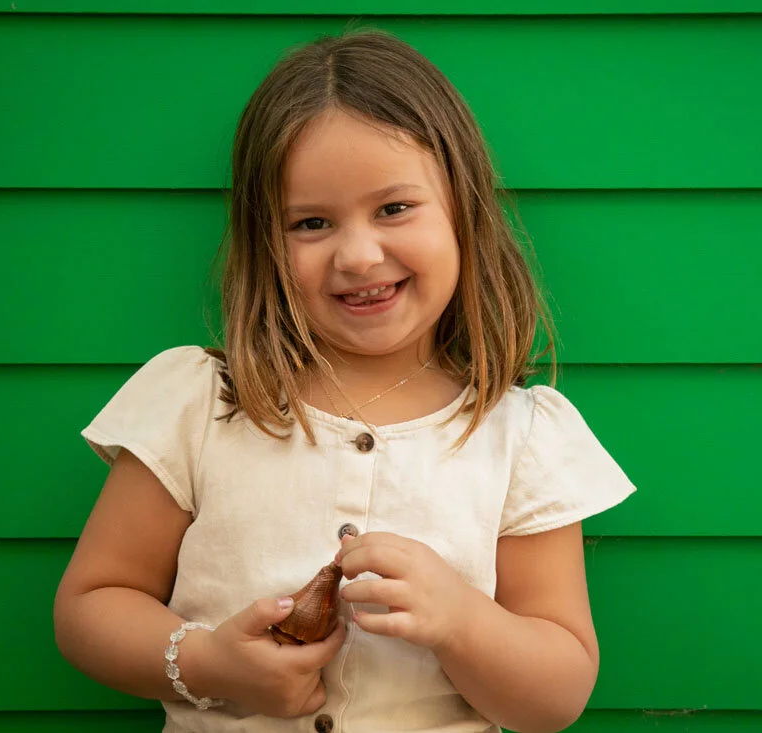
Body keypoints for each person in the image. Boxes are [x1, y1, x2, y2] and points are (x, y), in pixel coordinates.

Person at [53, 29, 635, 733]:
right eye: (312, 222)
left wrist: (460, 619)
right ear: (266, 242)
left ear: (462, 210)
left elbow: (556, 694)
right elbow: (91, 605)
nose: (358, 255)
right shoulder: (200, 402)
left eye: (394, 208)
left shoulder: (520, 435)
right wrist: (208, 662)